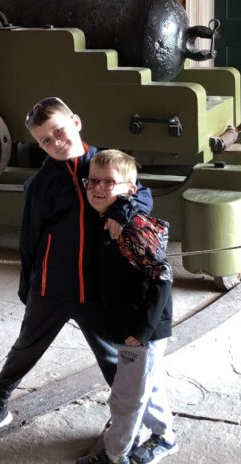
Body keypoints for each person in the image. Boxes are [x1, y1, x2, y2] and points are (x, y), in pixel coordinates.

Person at [0, 98, 153, 438]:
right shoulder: (39, 185)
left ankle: (127, 415)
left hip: (97, 289)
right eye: (45, 140)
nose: (55, 142)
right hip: (51, 287)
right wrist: (28, 287)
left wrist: (120, 212)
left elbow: (142, 193)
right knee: (25, 348)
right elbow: (29, 241)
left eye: (59, 131)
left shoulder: (104, 165)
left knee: (112, 358)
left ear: (76, 122)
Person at [76, 149, 176, 464]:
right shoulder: (106, 219)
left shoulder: (132, 228)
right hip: (127, 325)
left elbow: (163, 276)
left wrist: (141, 330)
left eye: (109, 182)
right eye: (93, 181)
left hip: (141, 329)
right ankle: (163, 436)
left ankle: (116, 453)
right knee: (146, 385)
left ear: (130, 189)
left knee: (126, 397)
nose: (98, 188)